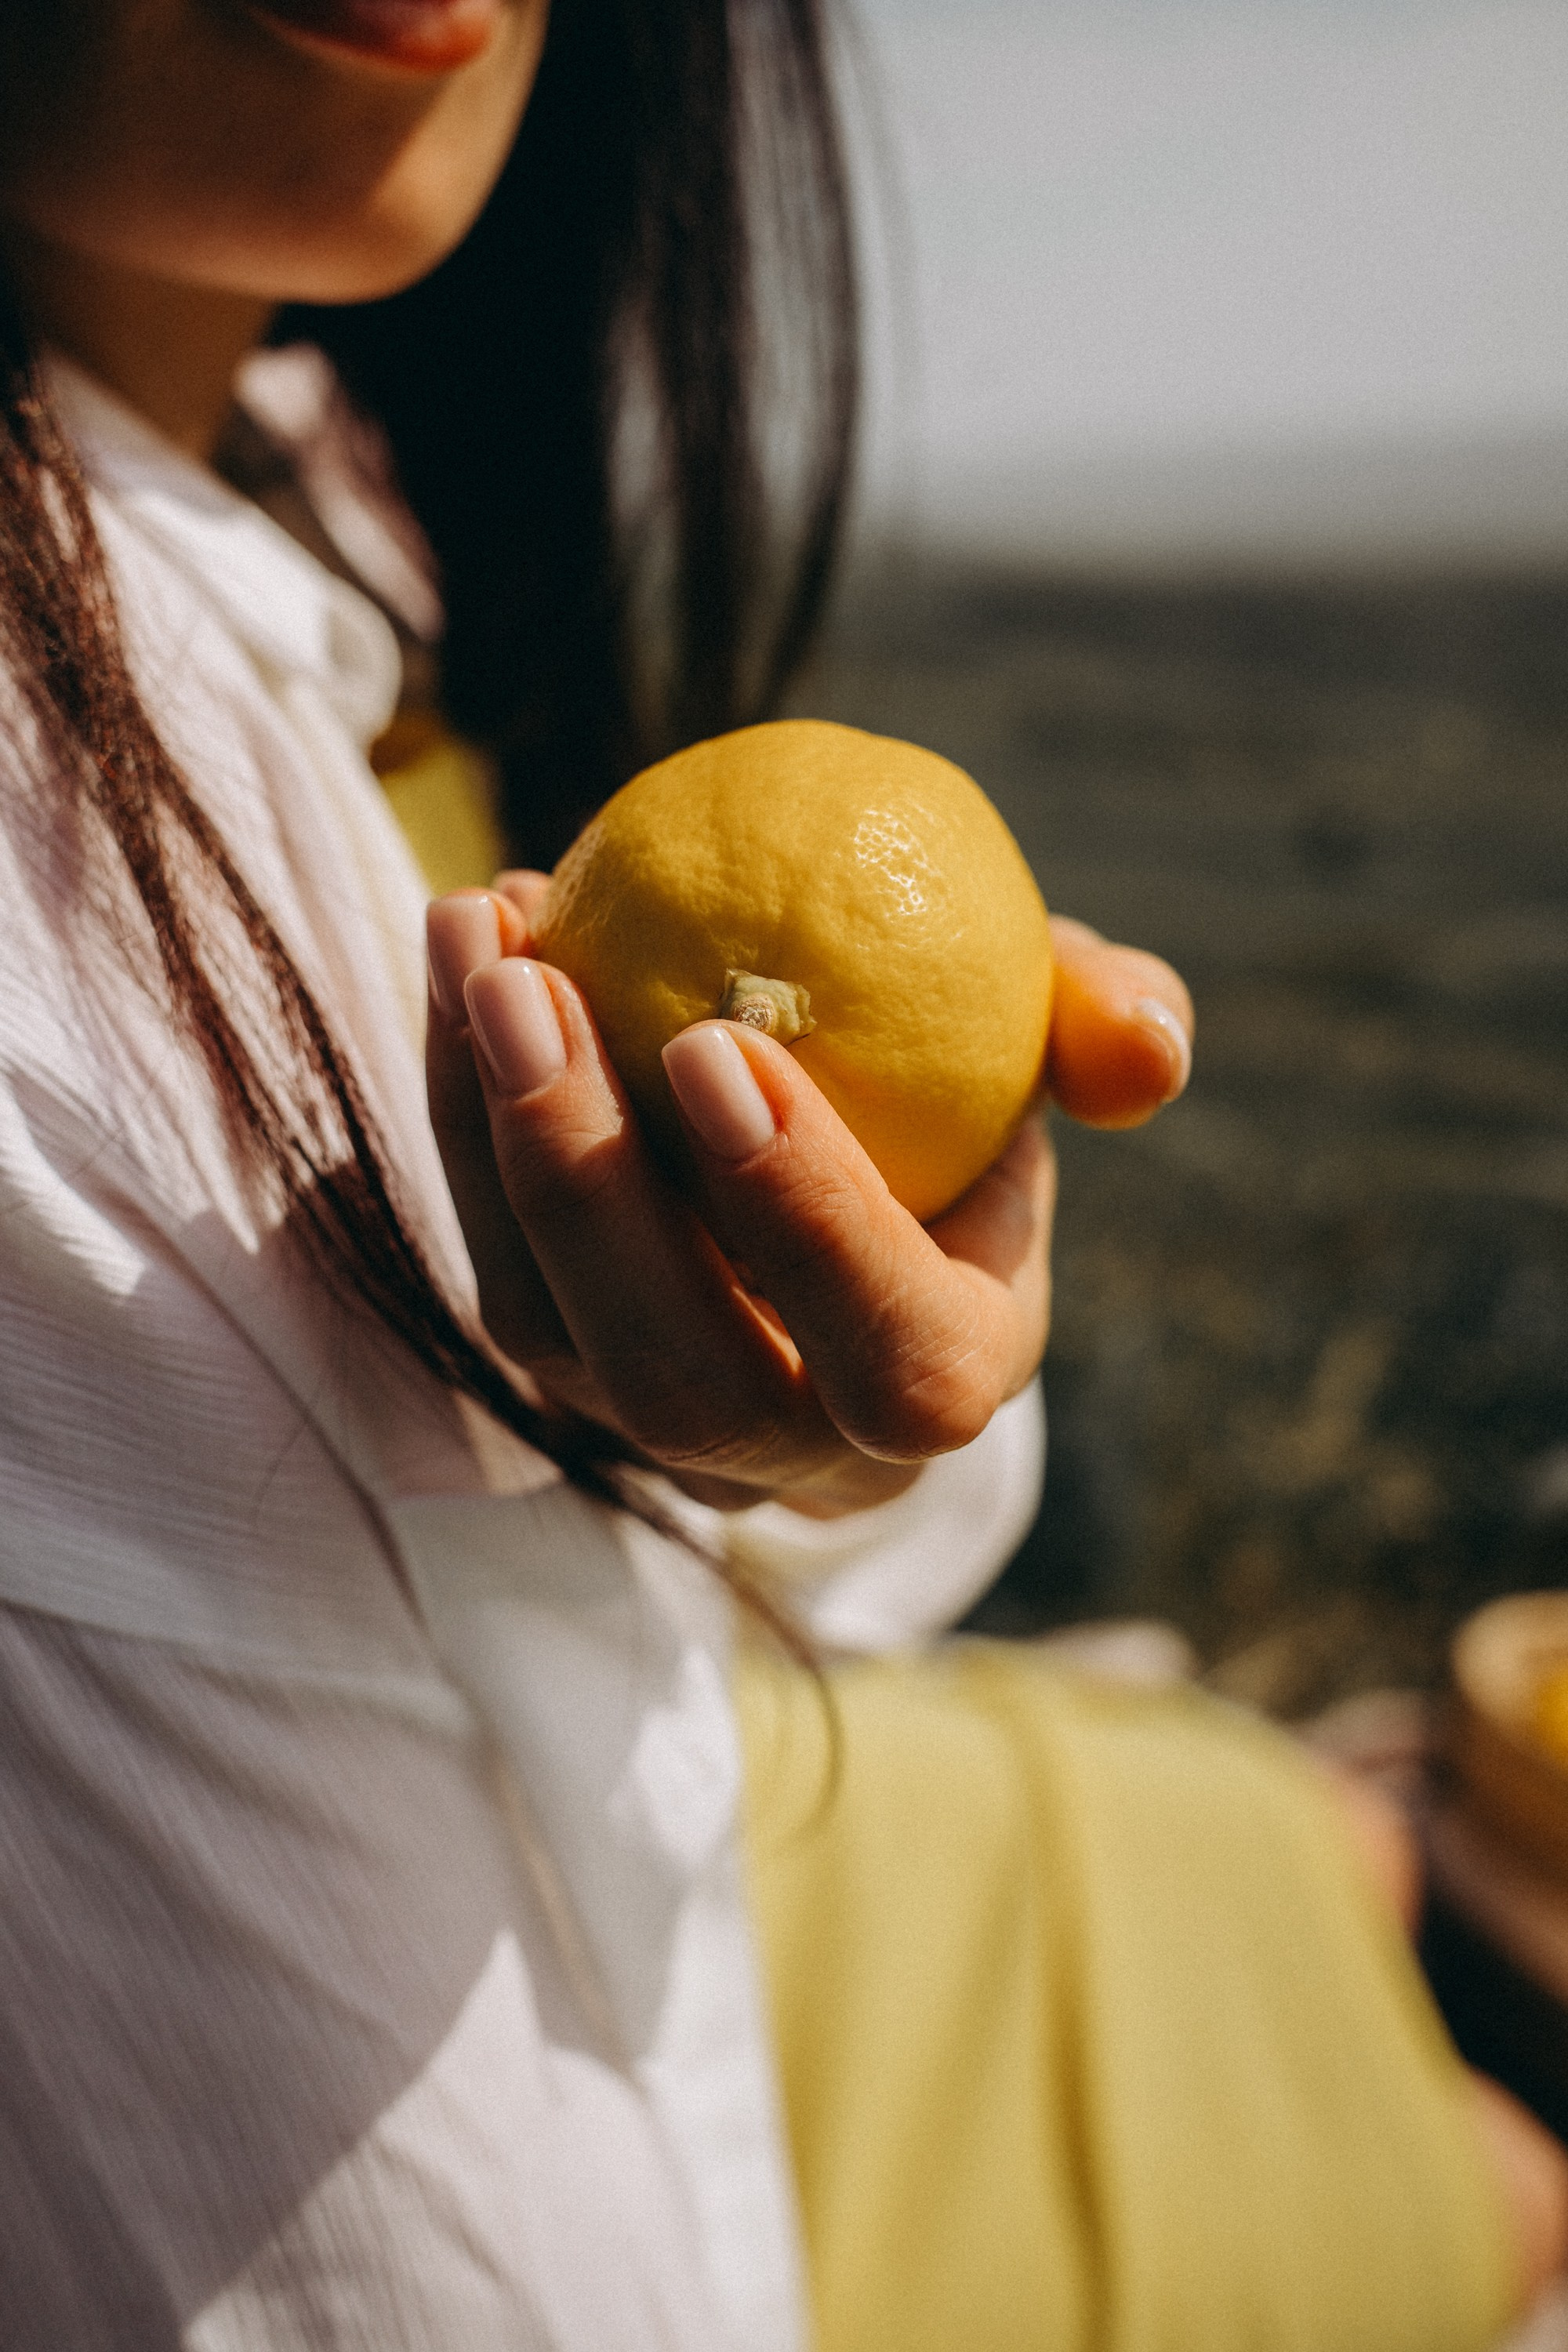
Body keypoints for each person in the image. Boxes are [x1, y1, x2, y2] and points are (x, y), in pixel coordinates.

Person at [0, 2, 1562, 2346]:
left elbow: (576, 1575)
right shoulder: (61, 938)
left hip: (672, 1796)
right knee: (1507, 2167)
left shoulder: (314, 452)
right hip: (585, 2029)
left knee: (1309, 1837)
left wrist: (764, 1436)